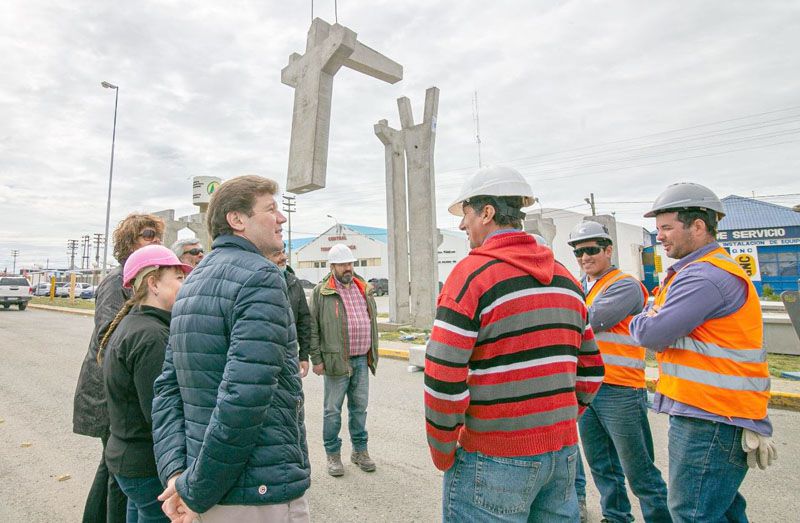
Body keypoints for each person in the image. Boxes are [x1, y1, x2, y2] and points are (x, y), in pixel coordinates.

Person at [424, 165, 605, 522]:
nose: (462, 226)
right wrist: (555, 423)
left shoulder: (471, 275)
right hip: (562, 454)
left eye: (466, 215)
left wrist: (443, 451)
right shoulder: (566, 278)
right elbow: (592, 371)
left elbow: (444, 377)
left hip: (493, 456)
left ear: (487, 212)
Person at [151, 175, 310, 522]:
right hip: (254, 492)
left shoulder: (192, 282)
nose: (281, 218)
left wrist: (177, 473)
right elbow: (244, 399)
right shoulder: (261, 277)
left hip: (206, 480)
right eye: (270, 209)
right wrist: (195, 491)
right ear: (237, 220)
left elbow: (167, 389)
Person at [630, 182, 776, 522]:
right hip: (715, 412)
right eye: (658, 228)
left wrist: (643, 317)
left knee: (691, 512)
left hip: (710, 415)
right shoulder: (701, 271)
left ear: (698, 226)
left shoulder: (705, 276)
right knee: (721, 511)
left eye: (667, 227)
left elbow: (651, 333)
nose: (660, 236)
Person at [567, 221, 670, 523]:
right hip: (588, 389)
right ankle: (615, 517)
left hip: (620, 389)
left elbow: (588, 319)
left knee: (639, 471)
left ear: (608, 249)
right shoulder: (581, 287)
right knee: (602, 466)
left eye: (591, 250)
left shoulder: (624, 285)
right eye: (579, 252)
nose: (585, 257)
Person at [73, 213, 164, 523]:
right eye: (148, 234)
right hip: (110, 391)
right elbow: (107, 335)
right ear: (129, 241)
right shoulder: (117, 279)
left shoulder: (142, 276)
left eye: (158, 235)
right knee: (118, 476)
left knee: (114, 470)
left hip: (120, 389)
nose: (156, 240)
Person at [98, 245, 191, 523]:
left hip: (130, 460)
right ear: (153, 283)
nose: (184, 284)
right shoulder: (151, 337)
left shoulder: (137, 324)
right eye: (178, 278)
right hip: (145, 465)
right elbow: (159, 413)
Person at [309, 243, 379, 477]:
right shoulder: (322, 291)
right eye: (342, 264)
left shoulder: (363, 288)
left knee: (359, 409)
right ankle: (333, 455)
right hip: (336, 362)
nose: (348, 268)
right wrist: (316, 359)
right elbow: (313, 327)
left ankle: (360, 451)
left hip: (361, 360)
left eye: (350, 263)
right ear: (332, 266)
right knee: (332, 411)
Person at [267, 246, 312, 378]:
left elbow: (304, 321)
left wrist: (303, 356)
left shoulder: (294, 283)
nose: (284, 257)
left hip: (290, 357)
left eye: (283, 252)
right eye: (277, 253)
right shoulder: (259, 282)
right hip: (266, 356)